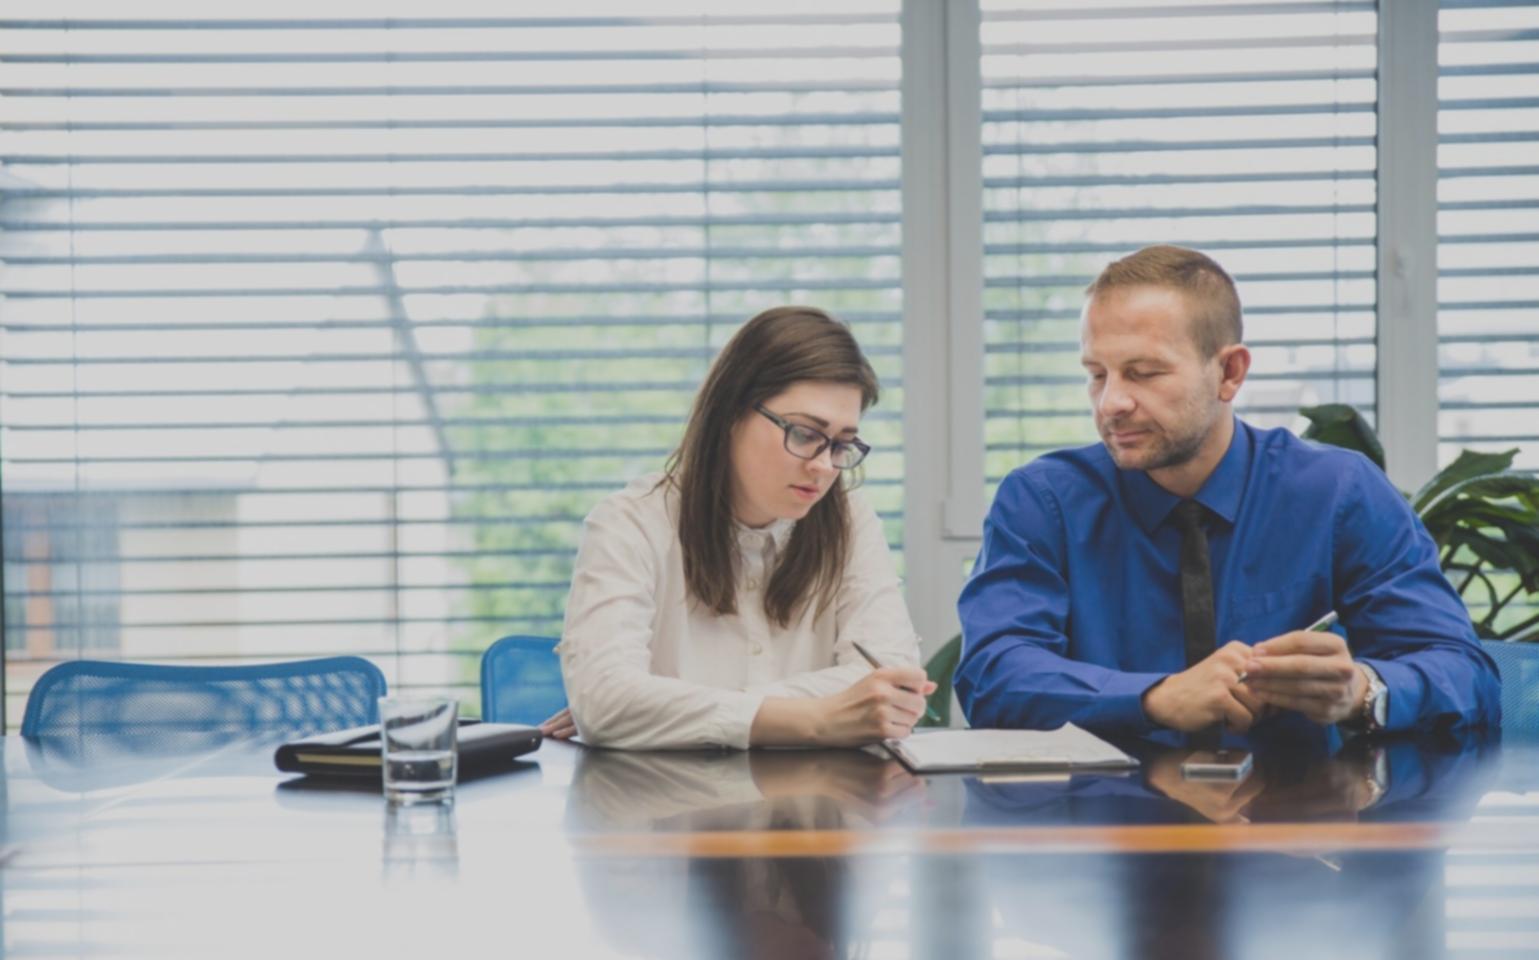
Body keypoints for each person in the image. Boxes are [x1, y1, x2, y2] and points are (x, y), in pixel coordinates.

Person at [956, 245, 1500, 744]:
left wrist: (1363, 689)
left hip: (1296, 828)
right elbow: (993, 675)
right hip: (1104, 830)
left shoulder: (1339, 492)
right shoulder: (1042, 501)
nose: (1111, 403)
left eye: (1143, 373)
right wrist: (1154, 698)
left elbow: (1464, 671)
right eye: (1097, 374)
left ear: (1230, 373)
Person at [545, 306, 934, 750]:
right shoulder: (628, 523)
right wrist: (819, 718)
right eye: (806, 434)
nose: (825, 467)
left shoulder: (850, 520)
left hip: (819, 809)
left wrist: (665, 708)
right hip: (666, 810)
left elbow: (886, 682)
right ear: (730, 413)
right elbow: (607, 703)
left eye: (843, 444)